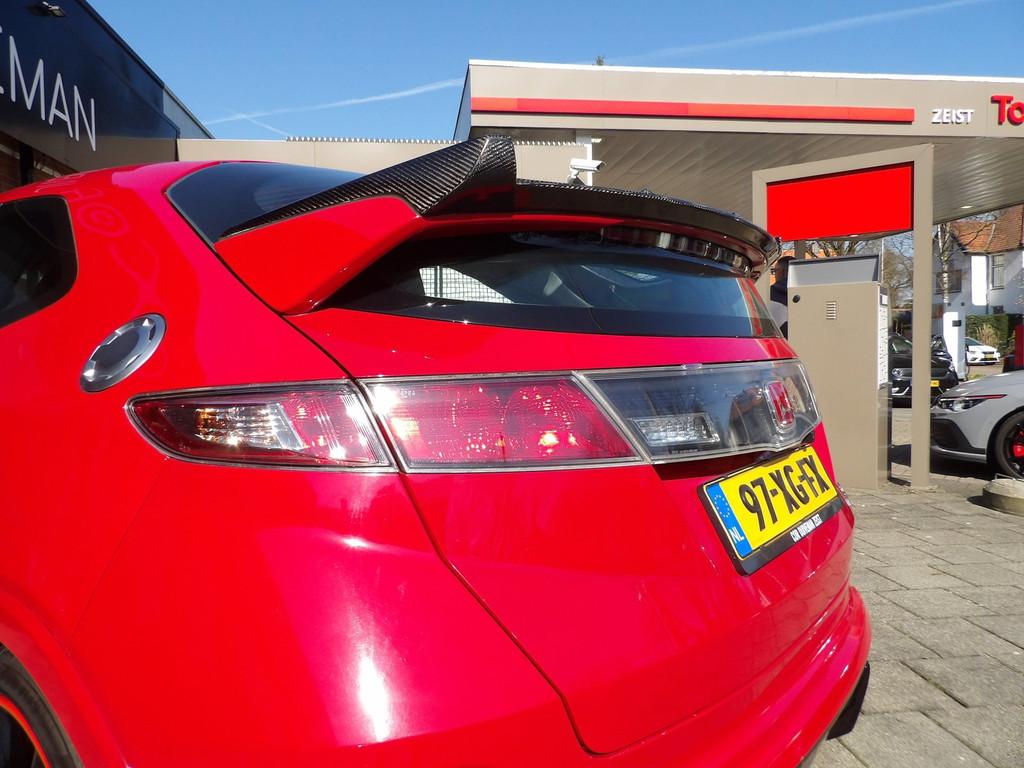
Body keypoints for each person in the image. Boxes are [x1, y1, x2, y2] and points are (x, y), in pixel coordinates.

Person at [768, 255, 793, 338]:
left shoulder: (769, 294)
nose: (774, 275)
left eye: (775, 271)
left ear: (782, 272)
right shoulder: (807, 294)